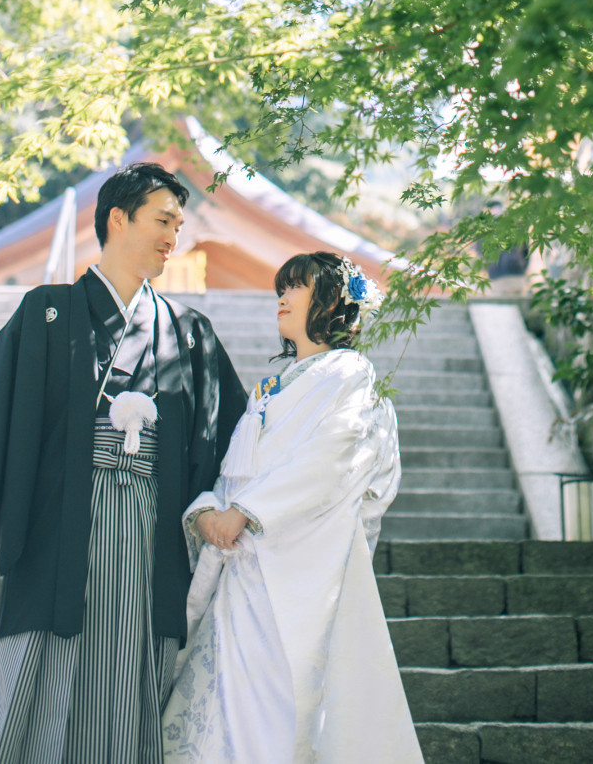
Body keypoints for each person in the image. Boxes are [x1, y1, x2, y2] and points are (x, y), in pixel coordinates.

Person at [0, 161, 248, 764]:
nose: (172, 236)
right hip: (60, 526)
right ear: (117, 218)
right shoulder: (45, 313)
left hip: (149, 532)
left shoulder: (189, 334)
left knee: (130, 674)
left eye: (178, 226)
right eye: (162, 220)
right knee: (41, 677)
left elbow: (233, 434)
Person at [162, 250, 423, 764]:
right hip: (243, 568)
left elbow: (329, 460)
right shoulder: (273, 387)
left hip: (298, 565)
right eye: (281, 287)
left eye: (298, 287)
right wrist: (210, 509)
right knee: (225, 706)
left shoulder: (351, 374)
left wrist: (248, 510)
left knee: (283, 706)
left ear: (330, 301)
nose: (282, 297)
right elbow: (236, 468)